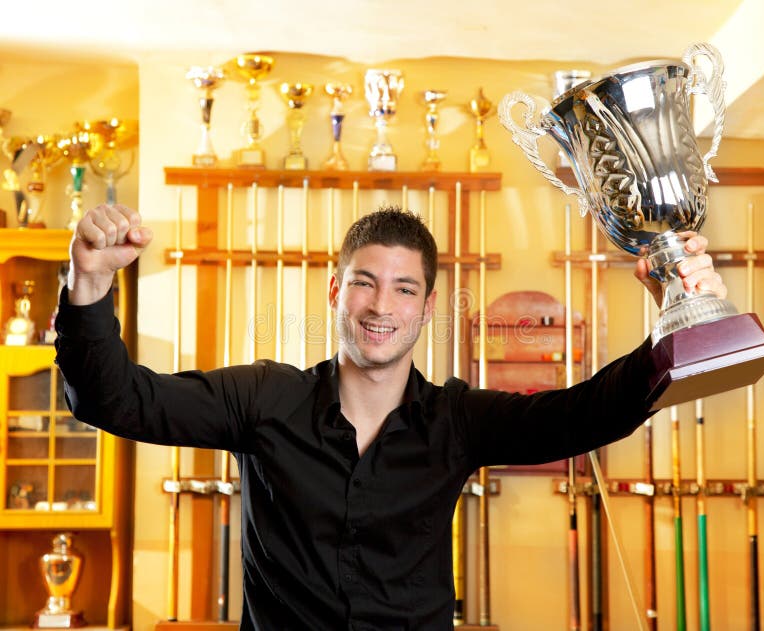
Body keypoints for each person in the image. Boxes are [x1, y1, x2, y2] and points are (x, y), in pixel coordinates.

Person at [56, 203, 726, 630]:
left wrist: (679, 318)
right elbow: (116, 399)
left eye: (404, 288)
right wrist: (88, 283)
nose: (382, 306)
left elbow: (581, 416)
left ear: (427, 307)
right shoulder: (261, 399)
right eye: (365, 282)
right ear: (335, 291)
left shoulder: (457, 419)